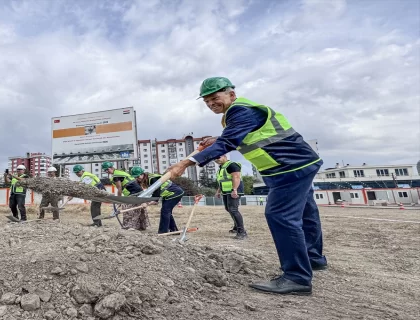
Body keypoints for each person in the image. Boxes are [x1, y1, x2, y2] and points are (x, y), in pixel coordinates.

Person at [166, 76, 327, 295]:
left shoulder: (240, 111)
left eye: (215, 98)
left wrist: (185, 163)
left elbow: (228, 142)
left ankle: (297, 277)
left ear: (231, 94)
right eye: (206, 101)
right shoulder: (239, 114)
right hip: (298, 163)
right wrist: (217, 138)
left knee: (280, 216)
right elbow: (236, 136)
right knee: (307, 212)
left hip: (288, 168)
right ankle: (314, 258)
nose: (211, 104)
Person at [131, 166, 184, 234]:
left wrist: (152, 202)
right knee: (167, 212)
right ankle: (174, 231)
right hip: (168, 195)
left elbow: (156, 193)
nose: (137, 179)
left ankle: (163, 232)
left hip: (175, 193)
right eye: (135, 177)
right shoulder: (146, 179)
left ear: (142, 174)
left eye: (137, 177)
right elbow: (151, 193)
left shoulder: (153, 178)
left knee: (165, 211)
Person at [102, 162, 149, 231]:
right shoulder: (119, 172)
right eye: (105, 170)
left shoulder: (116, 175)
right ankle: (141, 226)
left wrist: (119, 200)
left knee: (129, 209)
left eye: (107, 169)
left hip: (133, 192)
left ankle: (130, 226)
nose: (106, 172)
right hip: (138, 191)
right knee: (139, 208)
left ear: (111, 167)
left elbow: (119, 188)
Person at [215, 155, 247, 239]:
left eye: (218, 157)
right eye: (214, 159)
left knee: (233, 209)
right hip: (226, 191)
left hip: (234, 190)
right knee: (228, 209)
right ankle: (236, 228)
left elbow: (236, 177)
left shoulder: (231, 165)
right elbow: (222, 181)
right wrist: (218, 191)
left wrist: (235, 189)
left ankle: (242, 232)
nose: (216, 160)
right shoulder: (221, 168)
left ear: (224, 156)